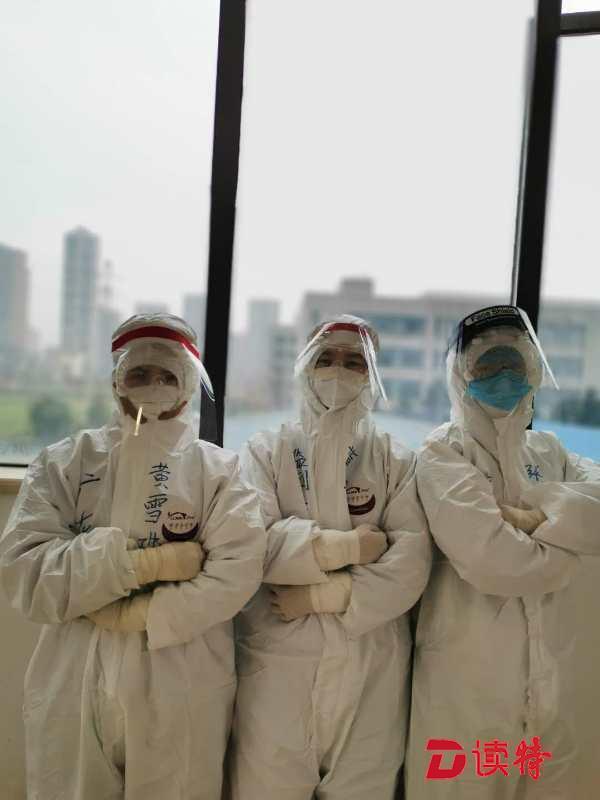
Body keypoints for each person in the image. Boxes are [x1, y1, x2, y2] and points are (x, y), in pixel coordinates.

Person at [0, 313, 265, 800]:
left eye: (167, 375)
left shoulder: (220, 472)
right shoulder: (65, 462)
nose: (153, 386)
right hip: (75, 669)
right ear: (117, 380)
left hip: (179, 670)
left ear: (188, 385)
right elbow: (25, 569)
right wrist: (144, 566)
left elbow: (237, 570)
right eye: (140, 373)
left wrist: (140, 613)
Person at [227, 314, 432, 800]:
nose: (339, 370)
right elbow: (252, 544)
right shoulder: (266, 450)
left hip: (370, 666)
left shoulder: (396, 460)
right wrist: (348, 547)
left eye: (354, 361)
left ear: (372, 374)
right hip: (279, 663)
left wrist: (326, 593)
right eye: (326, 358)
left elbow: (411, 563)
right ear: (305, 366)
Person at [406, 304, 600, 799]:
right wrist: (572, 537)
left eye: (513, 363)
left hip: (555, 679)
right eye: (487, 364)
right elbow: (496, 561)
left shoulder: (550, 451)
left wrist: (533, 519)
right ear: (460, 376)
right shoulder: (444, 452)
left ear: (533, 370)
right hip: (470, 679)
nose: (503, 376)